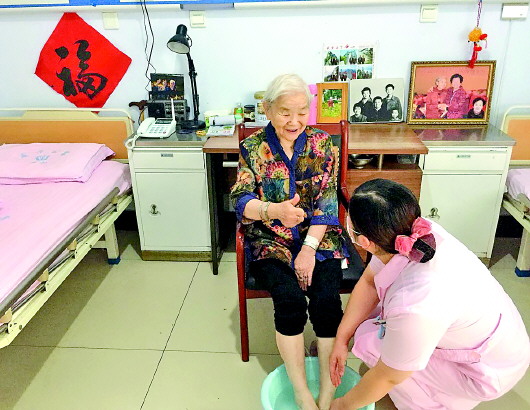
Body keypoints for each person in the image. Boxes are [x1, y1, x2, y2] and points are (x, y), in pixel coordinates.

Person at [329, 179, 530, 410]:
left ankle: (429, 403)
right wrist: (341, 339)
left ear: (364, 241)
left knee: (369, 342)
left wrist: (341, 405)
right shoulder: (411, 233)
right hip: (501, 337)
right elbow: (369, 282)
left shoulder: (415, 303)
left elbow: (389, 376)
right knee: (370, 328)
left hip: (490, 369)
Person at [230, 73, 346, 410]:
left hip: (319, 239)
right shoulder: (253, 147)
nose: (294, 121)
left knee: (327, 302)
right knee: (290, 302)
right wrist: (273, 211)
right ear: (267, 109)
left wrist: (308, 249)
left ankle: (328, 390)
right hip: (270, 240)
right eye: (285, 113)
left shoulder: (322, 144)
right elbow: (240, 199)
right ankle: (300, 390)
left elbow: (327, 202)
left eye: (301, 112)